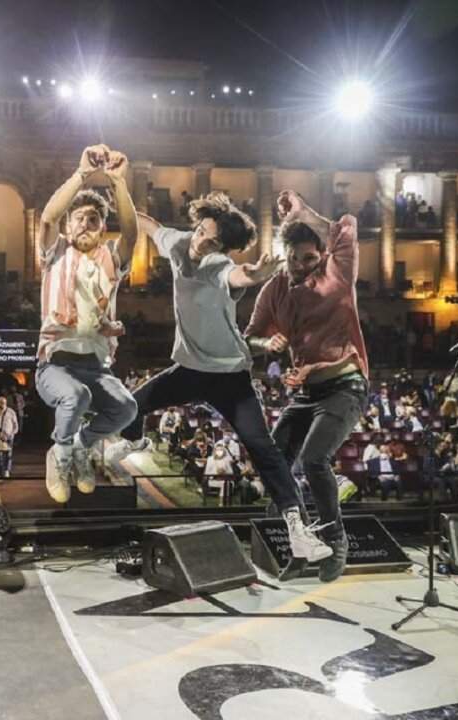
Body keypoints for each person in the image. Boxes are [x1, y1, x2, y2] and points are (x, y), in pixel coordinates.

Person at [105, 192, 329, 569]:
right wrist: (119, 200)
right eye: (200, 232)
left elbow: (239, 274)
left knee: (263, 449)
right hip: (190, 369)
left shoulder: (217, 264)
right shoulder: (179, 242)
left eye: (210, 241)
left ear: (222, 247)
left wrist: (257, 274)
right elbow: (147, 224)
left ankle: (297, 527)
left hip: (229, 376)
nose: (200, 242)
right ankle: (135, 440)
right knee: (132, 405)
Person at [243, 189, 370, 582]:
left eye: (309, 259)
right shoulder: (274, 288)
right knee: (274, 463)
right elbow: (249, 337)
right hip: (306, 392)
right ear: (285, 256)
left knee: (314, 460)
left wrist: (300, 210)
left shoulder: (338, 272)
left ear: (322, 256)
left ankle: (336, 540)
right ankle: (301, 542)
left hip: (345, 386)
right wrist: (267, 343)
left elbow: (343, 229)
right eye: (294, 259)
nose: (300, 266)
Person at [35, 144, 139, 503]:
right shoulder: (56, 253)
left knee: (127, 408)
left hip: (96, 366)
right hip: (56, 365)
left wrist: (118, 183)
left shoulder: (109, 258)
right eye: (78, 218)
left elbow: (131, 234)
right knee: (75, 396)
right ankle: (60, 454)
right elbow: (47, 218)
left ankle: (82, 445)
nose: (85, 223)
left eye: (93, 219)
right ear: (68, 225)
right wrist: (81, 175)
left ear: (102, 228)